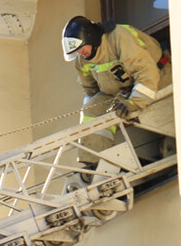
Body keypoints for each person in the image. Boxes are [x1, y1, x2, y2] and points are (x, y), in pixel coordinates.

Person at [61, 16, 172, 163]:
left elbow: (146, 72)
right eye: (76, 51)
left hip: (157, 79)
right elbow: (90, 91)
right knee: (91, 111)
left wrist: (134, 103)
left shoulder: (118, 37)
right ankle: (94, 162)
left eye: (81, 48)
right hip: (120, 93)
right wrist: (85, 129)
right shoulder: (81, 61)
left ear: (90, 38)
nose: (80, 53)